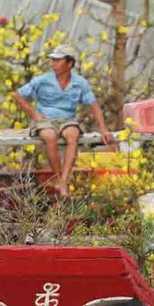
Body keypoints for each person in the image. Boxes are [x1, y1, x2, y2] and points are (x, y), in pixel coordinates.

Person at [10, 46, 116, 196]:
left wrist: (103, 129)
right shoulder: (42, 80)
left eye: (58, 60)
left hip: (67, 119)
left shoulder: (80, 83)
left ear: (69, 64)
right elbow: (17, 95)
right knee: (50, 136)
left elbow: (94, 106)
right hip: (45, 119)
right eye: (52, 60)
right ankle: (58, 178)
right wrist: (34, 114)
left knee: (73, 135)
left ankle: (64, 180)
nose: (53, 63)